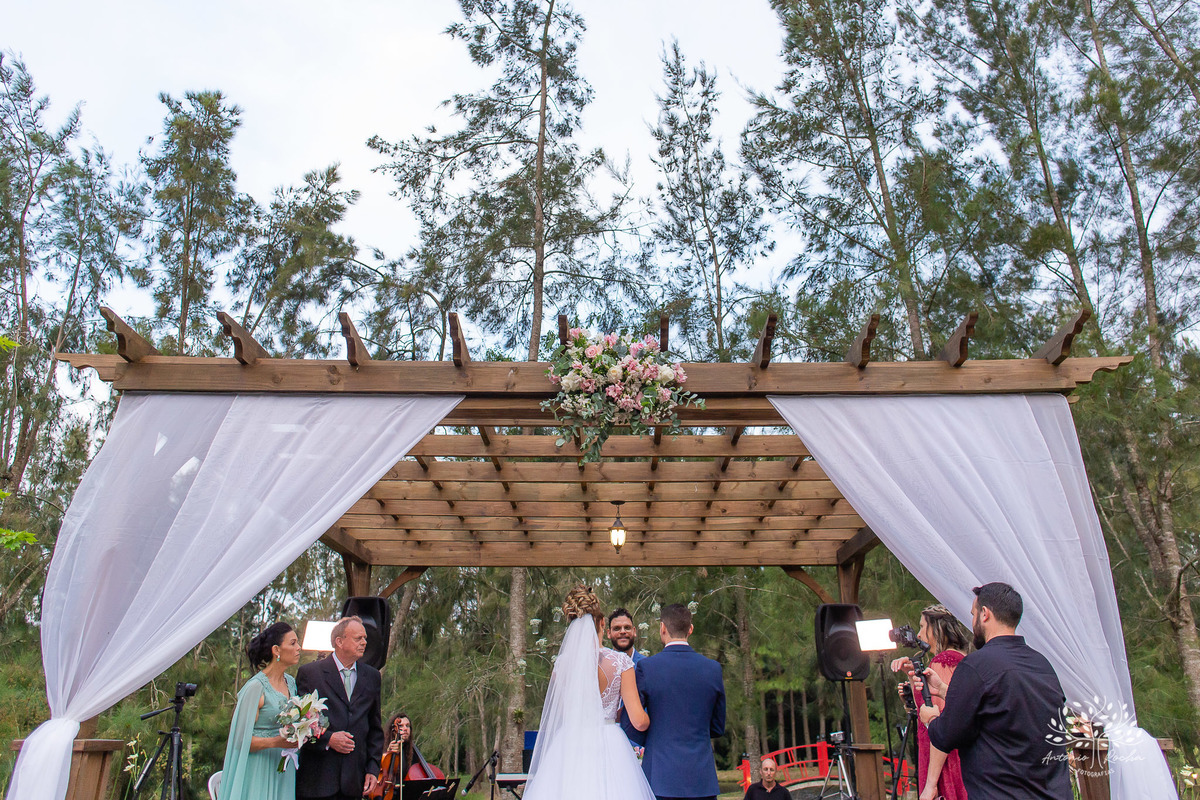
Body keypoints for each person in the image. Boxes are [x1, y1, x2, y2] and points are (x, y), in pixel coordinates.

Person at [910, 583, 1072, 800]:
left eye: (973, 614)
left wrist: (930, 719)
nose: (972, 621)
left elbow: (947, 735)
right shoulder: (1042, 664)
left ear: (985, 614)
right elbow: (1006, 709)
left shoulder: (976, 665)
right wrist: (943, 690)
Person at [523, 586, 655, 800]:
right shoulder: (621, 662)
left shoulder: (562, 666)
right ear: (603, 623)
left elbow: (563, 712)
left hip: (570, 744)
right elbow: (639, 720)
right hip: (610, 744)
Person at [621, 603, 726, 800]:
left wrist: (653, 740)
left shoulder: (647, 668)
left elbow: (629, 721)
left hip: (660, 777)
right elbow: (718, 727)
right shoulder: (713, 669)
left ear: (662, 628)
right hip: (701, 780)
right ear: (690, 629)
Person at [297, 616, 385, 800]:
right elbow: (301, 724)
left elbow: (375, 728)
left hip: (354, 781)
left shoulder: (372, 676)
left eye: (365, 639)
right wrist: (328, 739)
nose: (364, 643)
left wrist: (372, 768)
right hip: (318, 780)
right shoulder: (311, 674)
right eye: (358, 638)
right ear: (339, 641)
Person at [890, 604, 971, 800]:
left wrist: (930, 785)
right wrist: (911, 677)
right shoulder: (962, 659)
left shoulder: (943, 661)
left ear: (935, 629)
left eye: (922, 627)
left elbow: (940, 725)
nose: (918, 634)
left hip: (944, 763)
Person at [219, 622, 302, 800]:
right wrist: (277, 742)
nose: (298, 648)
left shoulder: (291, 683)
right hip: (258, 768)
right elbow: (240, 740)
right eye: (293, 643)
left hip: (281, 767)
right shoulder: (256, 687)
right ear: (276, 650)